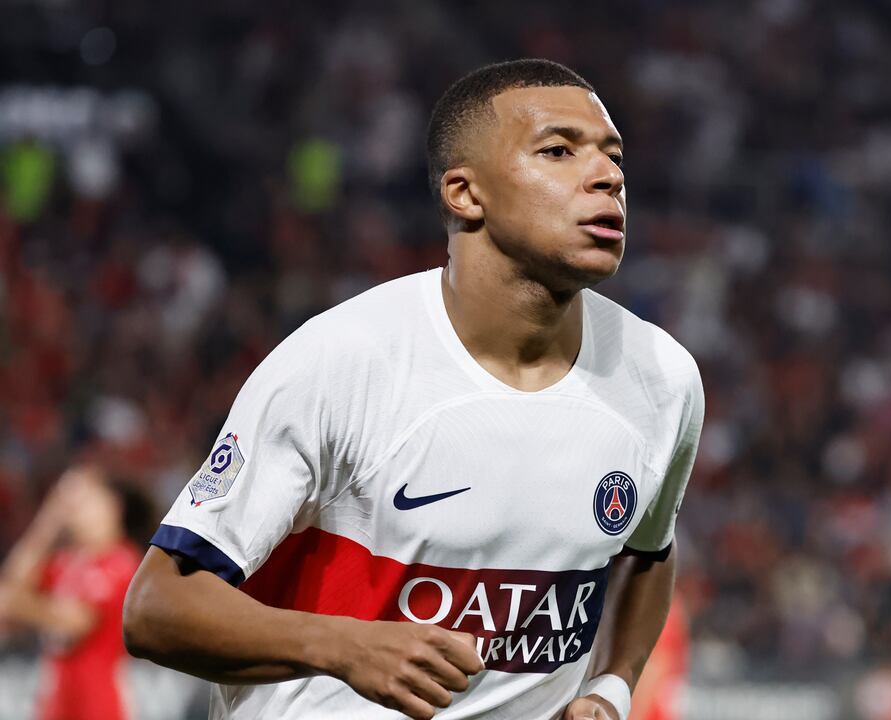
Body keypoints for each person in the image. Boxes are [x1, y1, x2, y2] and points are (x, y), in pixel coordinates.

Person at [122, 58, 704, 720]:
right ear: (465, 193)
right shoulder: (342, 362)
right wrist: (343, 645)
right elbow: (157, 607)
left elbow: (648, 555)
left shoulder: (662, 379)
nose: (608, 177)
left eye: (613, 156)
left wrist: (610, 686)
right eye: (559, 151)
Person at [0, 464, 149, 720]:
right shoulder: (64, 563)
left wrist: (17, 602)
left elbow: (76, 623)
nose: (75, 508)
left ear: (111, 505)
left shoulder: (122, 561)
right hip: (55, 704)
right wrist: (47, 522)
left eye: (84, 498)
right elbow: (14, 582)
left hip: (101, 706)